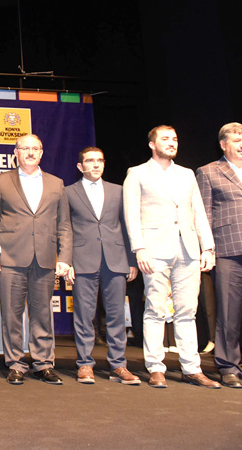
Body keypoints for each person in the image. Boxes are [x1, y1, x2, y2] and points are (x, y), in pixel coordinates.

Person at [123, 125, 219, 388]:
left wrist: (208, 248)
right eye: (165, 139)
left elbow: (198, 212)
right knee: (155, 309)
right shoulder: (137, 173)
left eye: (174, 139)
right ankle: (156, 367)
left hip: (188, 249)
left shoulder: (187, 174)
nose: (171, 142)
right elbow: (131, 215)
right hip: (154, 249)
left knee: (187, 310)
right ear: (152, 144)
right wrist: (139, 248)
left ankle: (192, 368)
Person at [0, 133, 72, 385]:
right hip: (11, 258)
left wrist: (65, 257)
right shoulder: (1, 181)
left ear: (41, 153)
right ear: (16, 153)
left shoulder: (57, 184)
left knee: (42, 315)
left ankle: (44, 364)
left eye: (35, 148)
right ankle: (15, 363)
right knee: (11, 316)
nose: (30, 152)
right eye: (24, 148)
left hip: (45, 259)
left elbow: (64, 225)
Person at [196, 122, 242, 387]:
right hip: (229, 251)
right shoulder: (208, 172)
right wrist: (208, 249)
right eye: (237, 140)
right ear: (223, 144)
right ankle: (228, 367)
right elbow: (204, 214)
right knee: (228, 313)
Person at [64, 147, 140, 385]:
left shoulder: (119, 191)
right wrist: (67, 261)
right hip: (82, 260)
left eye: (99, 161)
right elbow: (64, 229)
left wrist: (131, 261)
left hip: (115, 260)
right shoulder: (68, 192)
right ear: (80, 166)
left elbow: (127, 226)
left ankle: (118, 365)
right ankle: (85, 364)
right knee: (84, 316)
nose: (96, 165)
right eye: (90, 161)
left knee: (117, 315)